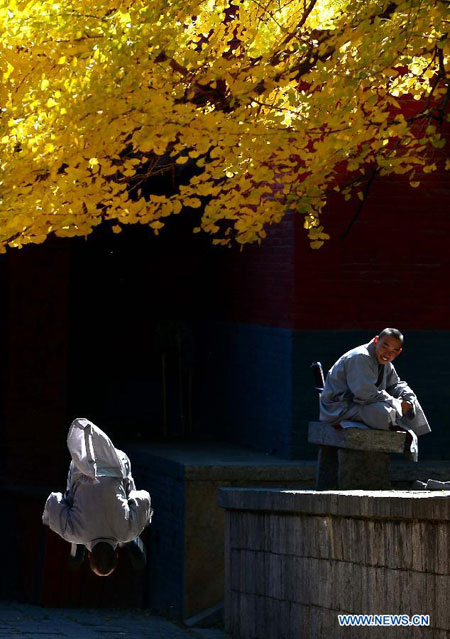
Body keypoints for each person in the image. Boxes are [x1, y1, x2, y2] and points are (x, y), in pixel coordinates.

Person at [42, 418, 153, 577]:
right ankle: (79, 542)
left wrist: (130, 507)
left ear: (116, 555)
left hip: (117, 463)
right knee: (67, 502)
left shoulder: (129, 530)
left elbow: (144, 497)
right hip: (81, 466)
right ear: (89, 556)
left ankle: (129, 539)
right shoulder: (72, 532)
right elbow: (53, 500)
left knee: (135, 504)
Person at [319, 328, 430, 460]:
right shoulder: (361, 357)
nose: (387, 354)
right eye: (385, 346)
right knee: (384, 412)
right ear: (376, 340)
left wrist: (408, 399)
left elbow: (395, 384)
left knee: (411, 402)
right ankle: (400, 431)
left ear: (398, 352)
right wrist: (398, 404)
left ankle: (402, 430)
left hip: (361, 404)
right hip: (341, 408)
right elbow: (364, 394)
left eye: (393, 351)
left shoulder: (384, 362)